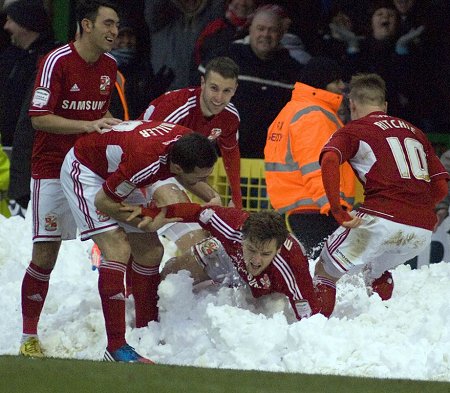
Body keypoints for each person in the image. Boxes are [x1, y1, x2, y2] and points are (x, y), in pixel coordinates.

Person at [60, 120, 218, 363]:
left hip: (121, 173)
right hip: (87, 173)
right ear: (176, 167)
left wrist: (214, 198)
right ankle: (115, 348)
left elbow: (191, 178)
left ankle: (147, 331)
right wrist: (151, 222)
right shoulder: (146, 162)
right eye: (200, 177)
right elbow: (104, 202)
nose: (202, 180)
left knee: (152, 251)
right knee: (118, 249)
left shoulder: (187, 142)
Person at [19, 0, 122, 359]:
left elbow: (99, 111)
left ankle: (120, 341)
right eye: (108, 23)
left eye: (117, 25)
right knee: (45, 254)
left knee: (117, 243)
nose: (114, 31)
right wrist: (87, 125)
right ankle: (28, 336)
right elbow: (38, 117)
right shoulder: (56, 61)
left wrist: (113, 124)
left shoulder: (110, 66)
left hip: (89, 170)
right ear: (86, 25)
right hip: (50, 169)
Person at [312, 73, 449, 318]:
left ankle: (313, 329)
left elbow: (330, 159)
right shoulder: (416, 132)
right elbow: (441, 187)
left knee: (325, 269)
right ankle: (380, 320)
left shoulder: (354, 129)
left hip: (381, 218)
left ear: (352, 104)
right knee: (375, 271)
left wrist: (337, 209)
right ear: (385, 106)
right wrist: (421, 209)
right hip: (421, 231)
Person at [124, 202, 322, 321]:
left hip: (272, 282)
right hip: (228, 256)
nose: (255, 260)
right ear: (242, 237)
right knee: (172, 273)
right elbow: (194, 211)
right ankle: (137, 306)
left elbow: (309, 317)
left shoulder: (293, 266)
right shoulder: (231, 224)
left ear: (278, 249)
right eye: (251, 249)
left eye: (265, 253)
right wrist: (151, 212)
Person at [138, 56, 241, 258]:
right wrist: (142, 203)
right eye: (214, 88)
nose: (219, 98)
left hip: (174, 165)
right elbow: (141, 156)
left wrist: (236, 202)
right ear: (202, 83)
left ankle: (204, 259)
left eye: (226, 91)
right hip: (145, 164)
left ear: (235, 89)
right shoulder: (176, 110)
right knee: (179, 208)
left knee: (214, 200)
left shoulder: (230, 116)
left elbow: (232, 156)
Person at [264, 56, 355, 259]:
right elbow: (318, 168)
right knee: (326, 275)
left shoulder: (291, 111)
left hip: (298, 211)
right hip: (317, 213)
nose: (342, 86)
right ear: (320, 83)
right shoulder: (315, 116)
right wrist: (335, 208)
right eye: (336, 80)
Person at [207, 4, 303, 158]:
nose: (265, 34)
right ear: (250, 29)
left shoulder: (294, 71)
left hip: (270, 165)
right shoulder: (224, 59)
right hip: (222, 160)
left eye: (272, 30)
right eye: (260, 28)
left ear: (282, 34)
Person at [1, 0, 60, 217]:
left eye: (10, 20)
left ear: (25, 23)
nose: (6, 27)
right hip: (7, 154)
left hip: (36, 161)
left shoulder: (52, 60)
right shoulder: (12, 58)